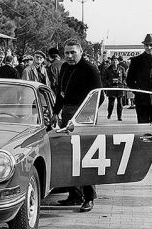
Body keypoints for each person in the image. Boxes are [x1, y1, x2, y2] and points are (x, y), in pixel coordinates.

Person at [52, 38, 103, 213]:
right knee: (69, 156)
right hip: (67, 113)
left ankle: (89, 197)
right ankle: (74, 195)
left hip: (84, 117)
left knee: (85, 157)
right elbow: (60, 92)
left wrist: (85, 114)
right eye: (67, 53)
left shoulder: (90, 69)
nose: (70, 56)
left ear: (81, 52)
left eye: (73, 52)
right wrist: (54, 112)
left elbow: (99, 96)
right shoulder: (64, 67)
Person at [126, 33, 152, 161]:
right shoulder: (136, 61)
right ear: (144, 46)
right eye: (147, 45)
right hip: (142, 99)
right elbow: (129, 81)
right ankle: (147, 151)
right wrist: (138, 92)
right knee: (144, 126)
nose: (149, 47)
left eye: (151, 45)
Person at [102, 55, 126, 121]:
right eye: (113, 60)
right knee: (111, 103)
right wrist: (108, 83)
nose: (115, 62)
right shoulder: (108, 69)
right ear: (111, 61)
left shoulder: (122, 69)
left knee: (120, 103)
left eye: (116, 60)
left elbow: (124, 77)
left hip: (119, 87)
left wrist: (123, 82)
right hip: (111, 87)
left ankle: (119, 117)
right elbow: (104, 78)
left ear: (118, 61)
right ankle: (109, 114)